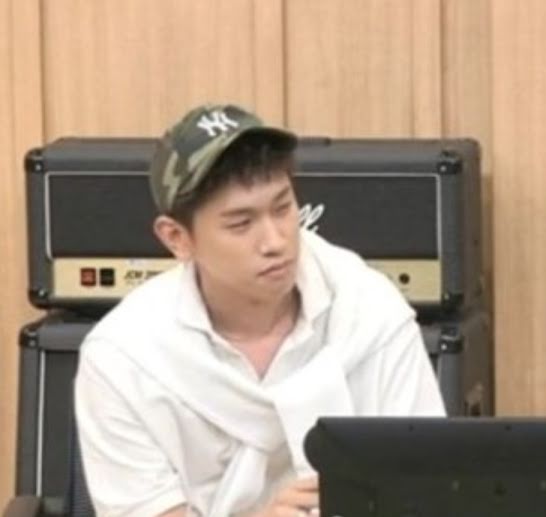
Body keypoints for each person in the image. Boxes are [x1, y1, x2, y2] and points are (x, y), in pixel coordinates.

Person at [74, 104, 446, 516]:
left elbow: (427, 489)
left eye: (283, 208)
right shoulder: (124, 357)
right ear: (177, 238)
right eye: (241, 224)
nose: (275, 241)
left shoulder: (369, 308)